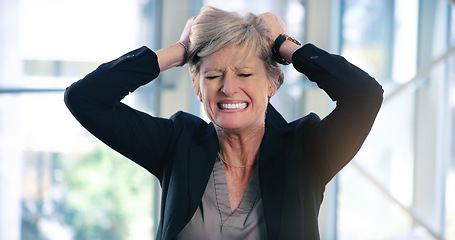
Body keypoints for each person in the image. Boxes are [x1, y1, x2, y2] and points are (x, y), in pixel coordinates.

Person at [64, 6, 383, 240]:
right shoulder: (177, 145)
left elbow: (364, 95)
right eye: (213, 75)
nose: (228, 88)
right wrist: (181, 51)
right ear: (196, 87)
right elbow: (85, 99)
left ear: (272, 84)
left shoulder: (305, 151)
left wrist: (286, 44)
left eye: (245, 74)